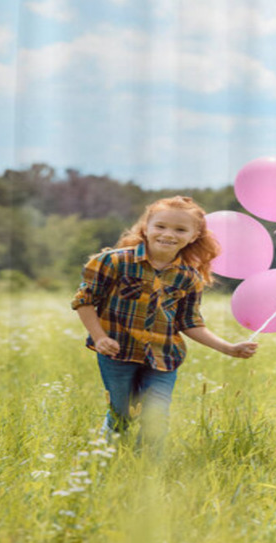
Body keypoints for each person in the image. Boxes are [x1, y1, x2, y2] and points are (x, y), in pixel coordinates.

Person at [71, 195, 258, 456]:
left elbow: (190, 322)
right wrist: (99, 337)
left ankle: (146, 472)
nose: (168, 234)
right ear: (146, 227)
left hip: (164, 357)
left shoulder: (189, 277)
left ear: (194, 236)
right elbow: (84, 301)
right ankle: (104, 463)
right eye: (160, 226)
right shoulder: (113, 262)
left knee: (156, 417)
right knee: (121, 415)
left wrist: (227, 348)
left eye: (180, 229)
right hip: (117, 353)